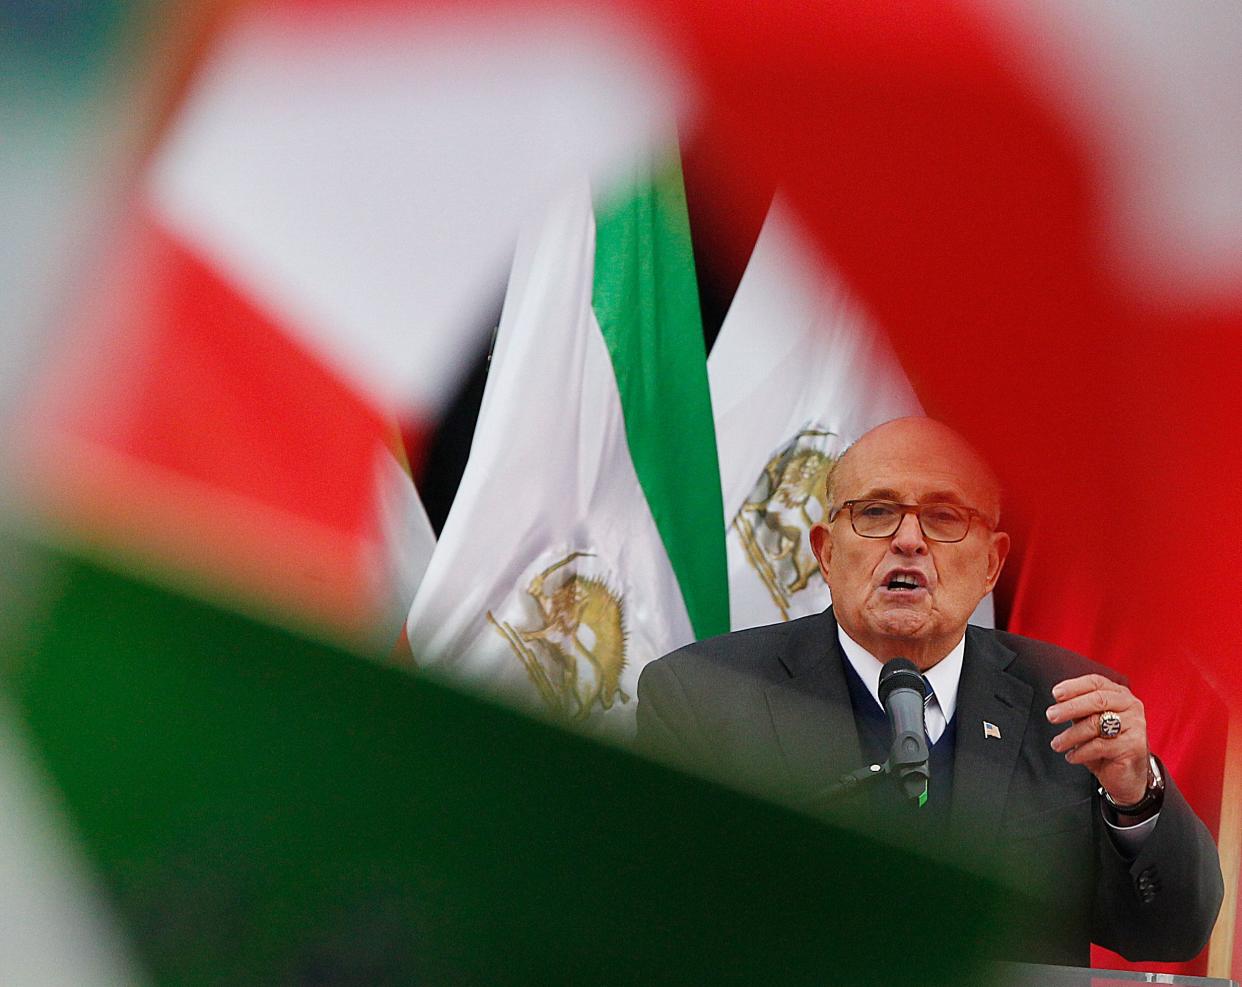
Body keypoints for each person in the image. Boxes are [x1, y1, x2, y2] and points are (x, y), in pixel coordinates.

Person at [636, 417, 1222, 967]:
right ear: (826, 551)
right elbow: (661, 926)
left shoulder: (1067, 703)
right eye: (877, 511)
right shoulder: (705, 698)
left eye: (944, 517)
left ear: (992, 564)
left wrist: (1135, 796)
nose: (909, 540)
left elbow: (1169, 932)